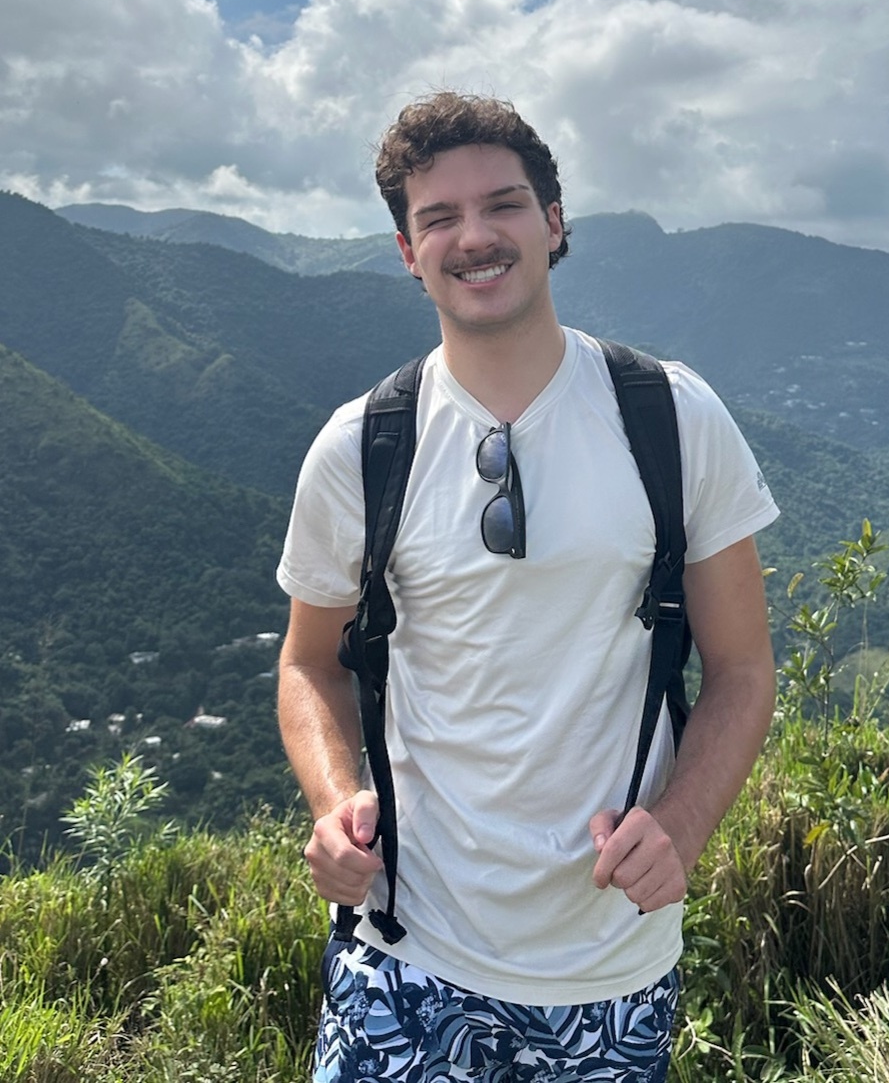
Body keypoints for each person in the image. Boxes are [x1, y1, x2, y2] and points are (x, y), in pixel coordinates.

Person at [276, 91, 779, 1083]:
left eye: (502, 205)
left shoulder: (670, 418)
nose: (473, 236)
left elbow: (741, 668)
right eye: (437, 218)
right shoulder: (361, 448)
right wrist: (336, 803)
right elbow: (307, 663)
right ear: (404, 250)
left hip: (608, 955)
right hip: (402, 947)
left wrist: (678, 830)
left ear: (553, 224)